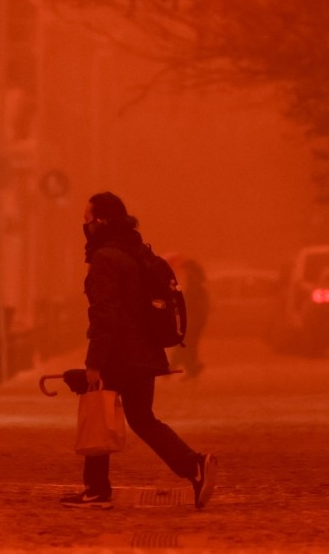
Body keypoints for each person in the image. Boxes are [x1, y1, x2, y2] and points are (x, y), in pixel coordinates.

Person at [60, 192, 217, 510]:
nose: (85, 226)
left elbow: (105, 315)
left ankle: (96, 489)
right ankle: (193, 465)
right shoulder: (136, 251)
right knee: (143, 418)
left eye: (88, 220)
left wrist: (94, 363)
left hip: (119, 353)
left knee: (97, 406)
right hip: (145, 351)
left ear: (101, 222)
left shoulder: (105, 259)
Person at [168, 255, 209, 378]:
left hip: (193, 321)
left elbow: (192, 305)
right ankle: (190, 369)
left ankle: (178, 368)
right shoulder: (196, 286)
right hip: (195, 320)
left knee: (185, 345)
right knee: (188, 346)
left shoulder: (194, 287)